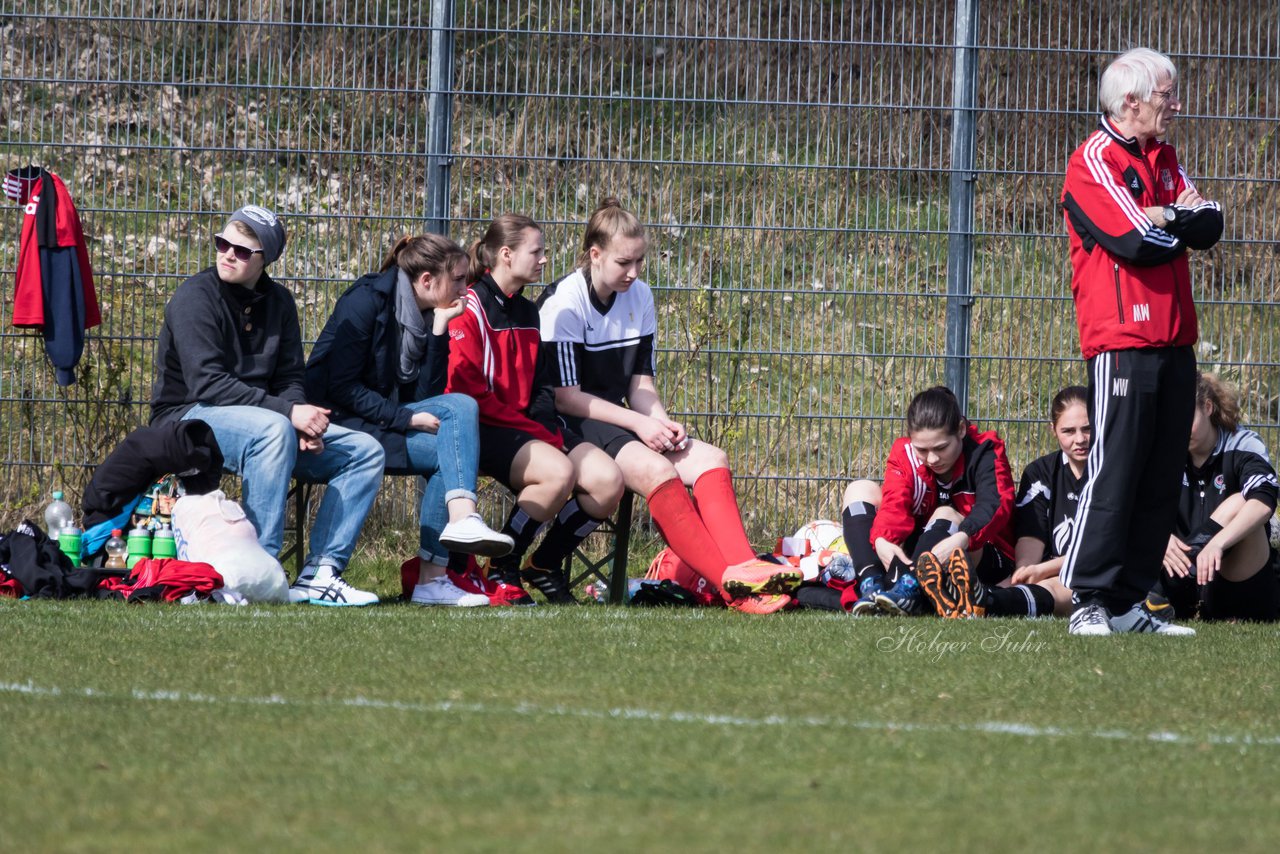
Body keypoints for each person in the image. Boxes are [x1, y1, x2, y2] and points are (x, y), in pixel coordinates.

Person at [537, 198, 798, 615]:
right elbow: (567, 397)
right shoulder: (564, 303)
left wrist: (660, 421)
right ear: (595, 254)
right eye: (625, 262)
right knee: (658, 470)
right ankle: (734, 589)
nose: (635, 272)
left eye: (640, 260)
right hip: (568, 421)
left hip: (616, 419)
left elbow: (641, 384)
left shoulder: (639, 296)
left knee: (712, 459)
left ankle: (747, 569)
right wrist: (641, 425)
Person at [1059, 47, 1223, 635]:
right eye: (1166, 95)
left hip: (1176, 341)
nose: (1174, 105)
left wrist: (1166, 215)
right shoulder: (1092, 160)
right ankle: (1089, 601)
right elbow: (1134, 243)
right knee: (1117, 468)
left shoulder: (1165, 156)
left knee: (1159, 473)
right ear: (1131, 100)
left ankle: (1129, 603)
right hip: (1123, 340)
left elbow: (1211, 223)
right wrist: (1163, 221)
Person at [151, 205, 385, 606]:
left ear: (266, 259)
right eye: (223, 244)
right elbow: (208, 384)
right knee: (272, 430)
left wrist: (300, 423)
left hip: (265, 428)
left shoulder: (279, 302)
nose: (227, 254)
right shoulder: (195, 296)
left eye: (242, 251)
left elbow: (290, 378)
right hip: (187, 418)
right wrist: (288, 416)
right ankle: (260, 572)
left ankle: (320, 573)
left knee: (365, 451)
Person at [304, 234, 515, 607]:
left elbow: (422, 397)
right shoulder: (366, 302)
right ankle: (462, 517)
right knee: (460, 408)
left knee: (448, 441)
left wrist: (440, 328)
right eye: (460, 279)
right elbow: (341, 387)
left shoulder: (425, 313)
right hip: (331, 424)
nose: (467, 289)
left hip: (377, 421)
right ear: (428, 281)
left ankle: (432, 579)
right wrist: (404, 419)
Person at [445, 214, 624, 604]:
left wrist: (546, 428)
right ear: (506, 255)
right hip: (483, 428)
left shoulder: (528, 312)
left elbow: (542, 387)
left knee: (608, 482)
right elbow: (469, 394)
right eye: (536, 251)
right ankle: (502, 567)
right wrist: (537, 435)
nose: (544, 259)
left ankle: (541, 565)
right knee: (558, 472)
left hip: (524, 427)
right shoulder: (469, 307)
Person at [840, 386, 1055, 619]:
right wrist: (882, 539)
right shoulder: (904, 453)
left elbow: (996, 505)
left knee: (947, 512)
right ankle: (872, 585)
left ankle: (911, 588)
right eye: (922, 449)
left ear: (961, 430)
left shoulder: (985, 450)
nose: (932, 459)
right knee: (859, 489)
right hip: (919, 553)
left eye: (941, 448)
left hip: (979, 552)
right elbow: (894, 504)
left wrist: (964, 537)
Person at [1161, 373, 1279, 621]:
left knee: (1240, 501)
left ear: (1207, 407)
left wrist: (1216, 543)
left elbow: (1265, 500)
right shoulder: (1164, 452)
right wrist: (1158, 538)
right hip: (1179, 574)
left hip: (1234, 578)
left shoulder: (1242, 444)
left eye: (1185, 417)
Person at [1010, 386, 1090, 616]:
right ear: (1053, 430)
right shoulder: (1039, 472)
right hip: (1049, 573)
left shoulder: (1111, 472)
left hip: (1092, 575)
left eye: (1087, 428)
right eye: (1068, 431)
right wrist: (1025, 572)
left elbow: (1100, 551)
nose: (1080, 439)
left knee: (1047, 589)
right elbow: (1030, 534)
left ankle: (987, 601)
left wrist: (1043, 569)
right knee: (1021, 585)